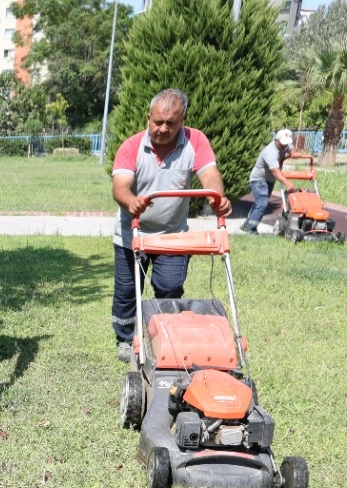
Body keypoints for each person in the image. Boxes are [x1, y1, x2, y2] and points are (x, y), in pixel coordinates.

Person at [110, 88, 233, 363]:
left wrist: (217, 199)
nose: (163, 128)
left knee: (170, 287)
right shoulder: (131, 146)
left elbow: (210, 174)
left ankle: (164, 333)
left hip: (173, 236)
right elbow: (120, 187)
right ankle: (125, 338)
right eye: (158, 122)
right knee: (128, 291)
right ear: (148, 118)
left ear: (183, 120)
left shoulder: (195, 141)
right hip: (133, 234)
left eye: (171, 123)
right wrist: (131, 202)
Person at [242, 128, 299, 235]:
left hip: (269, 181)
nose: (285, 146)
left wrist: (293, 153)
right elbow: (275, 172)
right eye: (283, 144)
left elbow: (291, 149)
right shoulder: (270, 152)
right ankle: (251, 228)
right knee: (262, 204)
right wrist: (287, 183)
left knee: (259, 204)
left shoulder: (285, 144)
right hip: (259, 180)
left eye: (286, 144)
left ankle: (247, 225)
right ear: (276, 140)